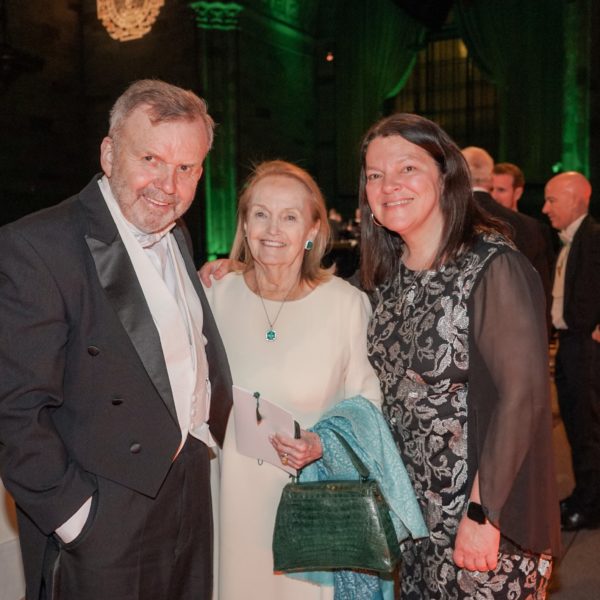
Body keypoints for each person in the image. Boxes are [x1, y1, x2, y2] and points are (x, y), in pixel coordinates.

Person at [0, 79, 233, 600]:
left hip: (187, 493)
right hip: (102, 511)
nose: (167, 185)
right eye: (150, 158)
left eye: (186, 168)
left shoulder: (178, 234)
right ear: (109, 153)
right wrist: (76, 518)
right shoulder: (37, 246)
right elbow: (13, 410)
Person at [360, 114, 560, 598]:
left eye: (407, 168)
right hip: (414, 524)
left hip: (485, 521)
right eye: (374, 175)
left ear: (446, 173)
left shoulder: (492, 266)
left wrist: (481, 513)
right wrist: (238, 270)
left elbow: (523, 397)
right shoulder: (386, 280)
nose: (389, 186)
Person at [202, 160, 393, 599]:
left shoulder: (345, 304)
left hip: (311, 499)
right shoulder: (214, 294)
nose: (272, 229)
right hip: (229, 499)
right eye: (260, 214)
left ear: (312, 230)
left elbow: (369, 405)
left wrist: (322, 442)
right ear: (245, 225)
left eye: (289, 216)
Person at [542, 171, 600, 531]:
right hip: (569, 344)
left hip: (586, 348)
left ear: (576, 197)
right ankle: (583, 495)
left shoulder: (593, 237)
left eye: (552, 200)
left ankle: (591, 506)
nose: (545, 208)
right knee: (577, 427)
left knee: (589, 429)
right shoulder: (568, 240)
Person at [462, 146, 553, 331]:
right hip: (517, 336)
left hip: (457, 340)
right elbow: (541, 295)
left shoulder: (444, 221)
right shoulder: (530, 227)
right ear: (490, 178)